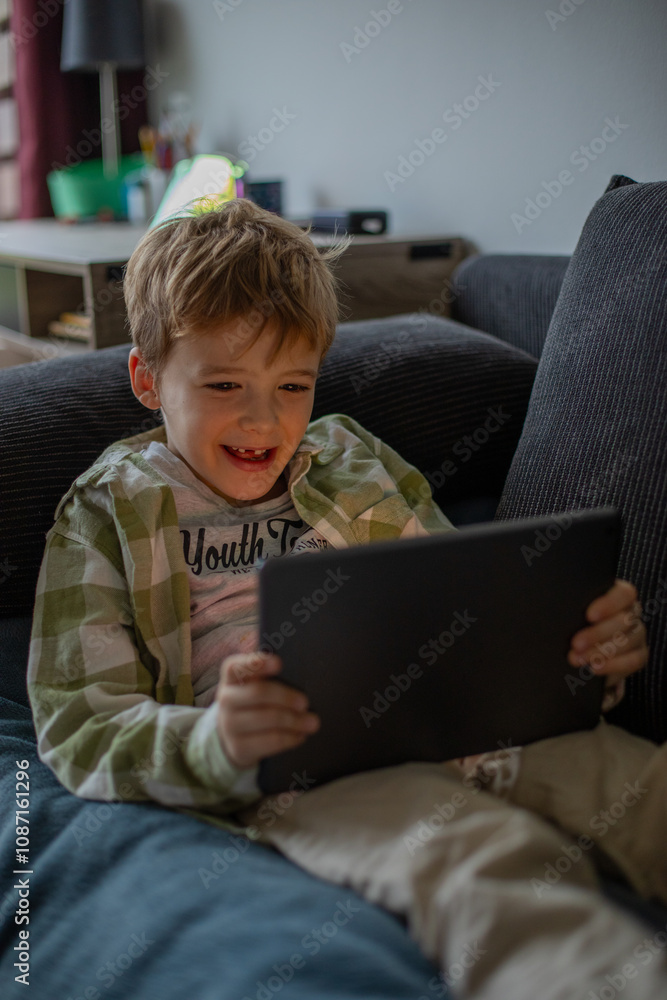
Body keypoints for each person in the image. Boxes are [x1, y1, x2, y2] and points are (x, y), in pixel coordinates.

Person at [27, 200, 666, 999]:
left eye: (292, 384)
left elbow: (464, 597)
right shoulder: (106, 509)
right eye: (224, 383)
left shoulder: (349, 456)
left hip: (468, 719)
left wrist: (579, 650)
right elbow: (81, 723)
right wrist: (216, 744)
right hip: (309, 770)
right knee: (477, 867)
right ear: (148, 378)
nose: (263, 418)